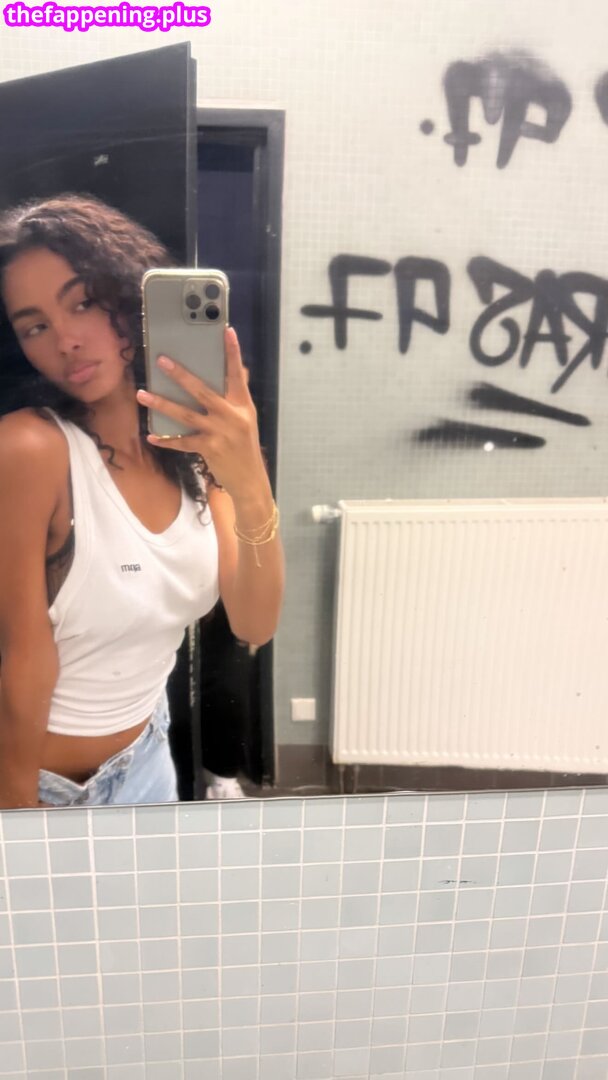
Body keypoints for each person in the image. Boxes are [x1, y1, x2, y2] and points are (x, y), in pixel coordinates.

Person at [0, 192, 284, 809]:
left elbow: (254, 622)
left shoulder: (194, 451)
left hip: (149, 760)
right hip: (45, 789)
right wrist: (19, 826)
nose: (66, 340)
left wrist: (250, 481)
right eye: (35, 326)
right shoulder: (29, 450)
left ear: (128, 297)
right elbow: (21, 658)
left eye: (83, 302)